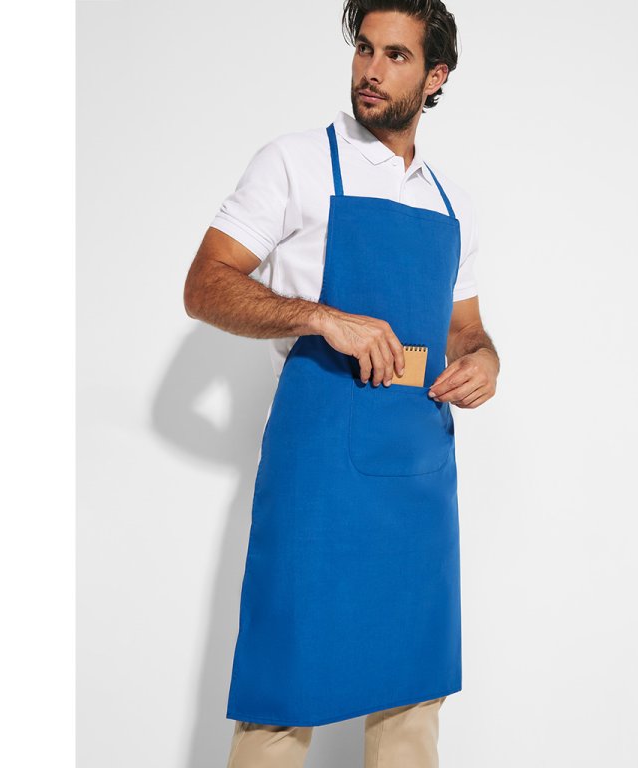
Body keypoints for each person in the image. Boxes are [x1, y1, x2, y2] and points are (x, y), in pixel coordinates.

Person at [183, 1, 499, 765]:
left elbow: (465, 328)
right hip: (317, 475)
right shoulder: (294, 163)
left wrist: (485, 358)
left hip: (419, 480)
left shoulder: (450, 202)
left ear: (436, 77)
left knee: (412, 706)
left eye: (396, 55)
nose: (371, 70)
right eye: (365, 48)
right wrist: (323, 318)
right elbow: (205, 284)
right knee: (281, 697)